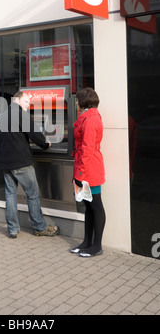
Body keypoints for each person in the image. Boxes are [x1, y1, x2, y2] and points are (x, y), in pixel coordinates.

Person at [0, 91, 59, 238]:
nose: (28, 105)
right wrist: (46, 144)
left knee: (10, 195)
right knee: (32, 194)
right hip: (21, 162)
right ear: (17, 100)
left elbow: (0, 141)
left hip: (6, 162)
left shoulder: (1, 116)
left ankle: (12, 229)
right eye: (26, 102)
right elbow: (35, 134)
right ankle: (40, 227)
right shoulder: (21, 115)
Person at [70, 87, 106, 257]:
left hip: (90, 169)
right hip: (86, 167)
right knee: (88, 206)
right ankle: (87, 242)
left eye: (77, 100)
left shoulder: (90, 119)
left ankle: (97, 245)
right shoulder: (88, 117)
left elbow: (88, 149)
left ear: (83, 101)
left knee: (95, 205)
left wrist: (80, 174)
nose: (76, 102)